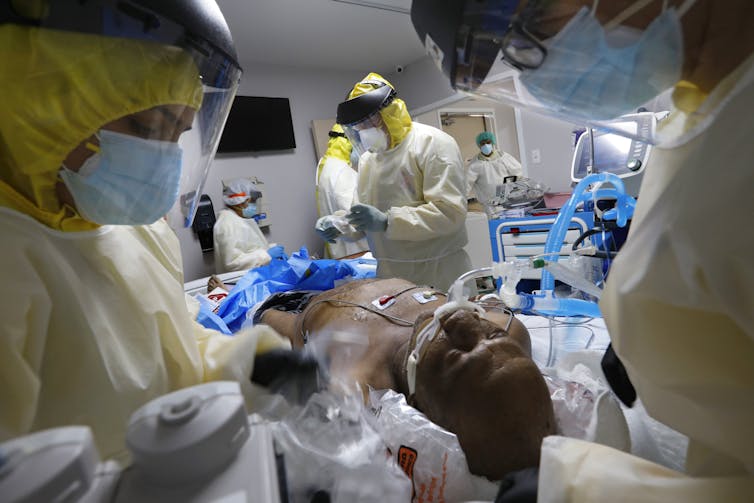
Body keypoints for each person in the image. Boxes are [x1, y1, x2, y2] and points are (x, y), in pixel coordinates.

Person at [411, 0, 754, 500]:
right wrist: (653, 331)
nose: (532, 66)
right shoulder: (702, 104)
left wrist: (584, 488)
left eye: (527, 26)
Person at [0, 0, 310, 465]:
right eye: (147, 127)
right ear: (45, 105)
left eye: (177, 134)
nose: (163, 157)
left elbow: (177, 347)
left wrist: (249, 366)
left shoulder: (141, 232)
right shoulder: (14, 259)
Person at [255, 277, 557, 481]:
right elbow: (490, 303)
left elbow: (275, 333)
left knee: (263, 315)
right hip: (364, 275)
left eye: (456, 354)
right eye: (487, 333)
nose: (464, 321)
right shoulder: (511, 330)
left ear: (416, 400)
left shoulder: (357, 380)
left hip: (297, 305)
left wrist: (266, 318)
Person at [317, 72, 472, 292]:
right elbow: (361, 217)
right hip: (390, 276)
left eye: (367, 122)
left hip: (439, 272)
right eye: (357, 127)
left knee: (446, 325)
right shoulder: (369, 160)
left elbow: (450, 213)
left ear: (390, 112)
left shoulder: (432, 144)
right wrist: (338, 225)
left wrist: (388, 221)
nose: (362, 131)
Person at [314, 124, 369, 259]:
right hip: (354, 250)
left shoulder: (326, 166)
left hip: (341, 248)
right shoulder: (342, 172)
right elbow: (354, 215)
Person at [214, 177, 286, 273]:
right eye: (251, 201)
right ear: (240, 202)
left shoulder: (239, 219)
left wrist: (272, 249)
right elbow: (232, 263)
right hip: (239, 282)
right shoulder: (227, 223)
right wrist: (267, 255)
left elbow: (251, 248)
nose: (254, 205)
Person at [467, 131, 523, 208]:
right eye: (483, 143)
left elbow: (519, 173)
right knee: (494, 219)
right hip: (489, 203)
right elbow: (466, 184)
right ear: (479, 145)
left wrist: (509, 183)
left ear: (492, 143)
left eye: (488, 142)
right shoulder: (475, 164)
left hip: (509, 199)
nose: (486, 145)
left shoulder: (503, 157)